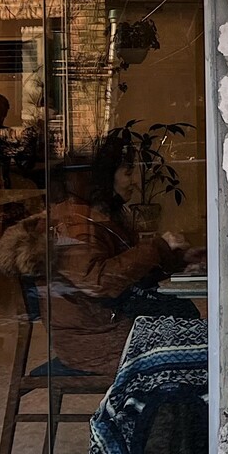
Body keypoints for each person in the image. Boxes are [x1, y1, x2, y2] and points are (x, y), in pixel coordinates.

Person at [48, 133, 203, 377]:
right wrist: (157, 247)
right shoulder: (77, 224)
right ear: (104, 177)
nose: (136, 182)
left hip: (108, 328)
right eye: (128, 173)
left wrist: (178, 259)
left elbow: (127, 271)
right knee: (198, 344)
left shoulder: (101, 217)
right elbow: (99, 282)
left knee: (192, 328)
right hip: (96, 341)